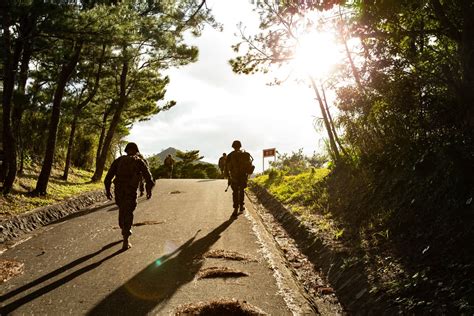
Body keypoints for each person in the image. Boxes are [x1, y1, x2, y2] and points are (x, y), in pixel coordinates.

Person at [104, 142, 154, 250]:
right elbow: (149, 178)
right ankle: (126, 238)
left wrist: (108, 191)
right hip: (130, 190)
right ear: (136, 151)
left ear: (126, 150)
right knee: (128, 212)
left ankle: (124, 228)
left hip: (119, 190)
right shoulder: (139, 161)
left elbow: (108, 178)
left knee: (122, 210)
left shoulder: (118, 161)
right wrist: (148, 190)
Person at [225, 140, 254, 217]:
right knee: (241, 191)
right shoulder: (244, 154)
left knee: (235, 192)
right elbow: (250, 166)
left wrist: (228, 177)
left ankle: (235, 208)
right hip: (243, 176)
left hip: (234, 176)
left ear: (233, 146)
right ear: (240, 146)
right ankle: (241, 206)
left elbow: (226, 168)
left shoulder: (230, 155)